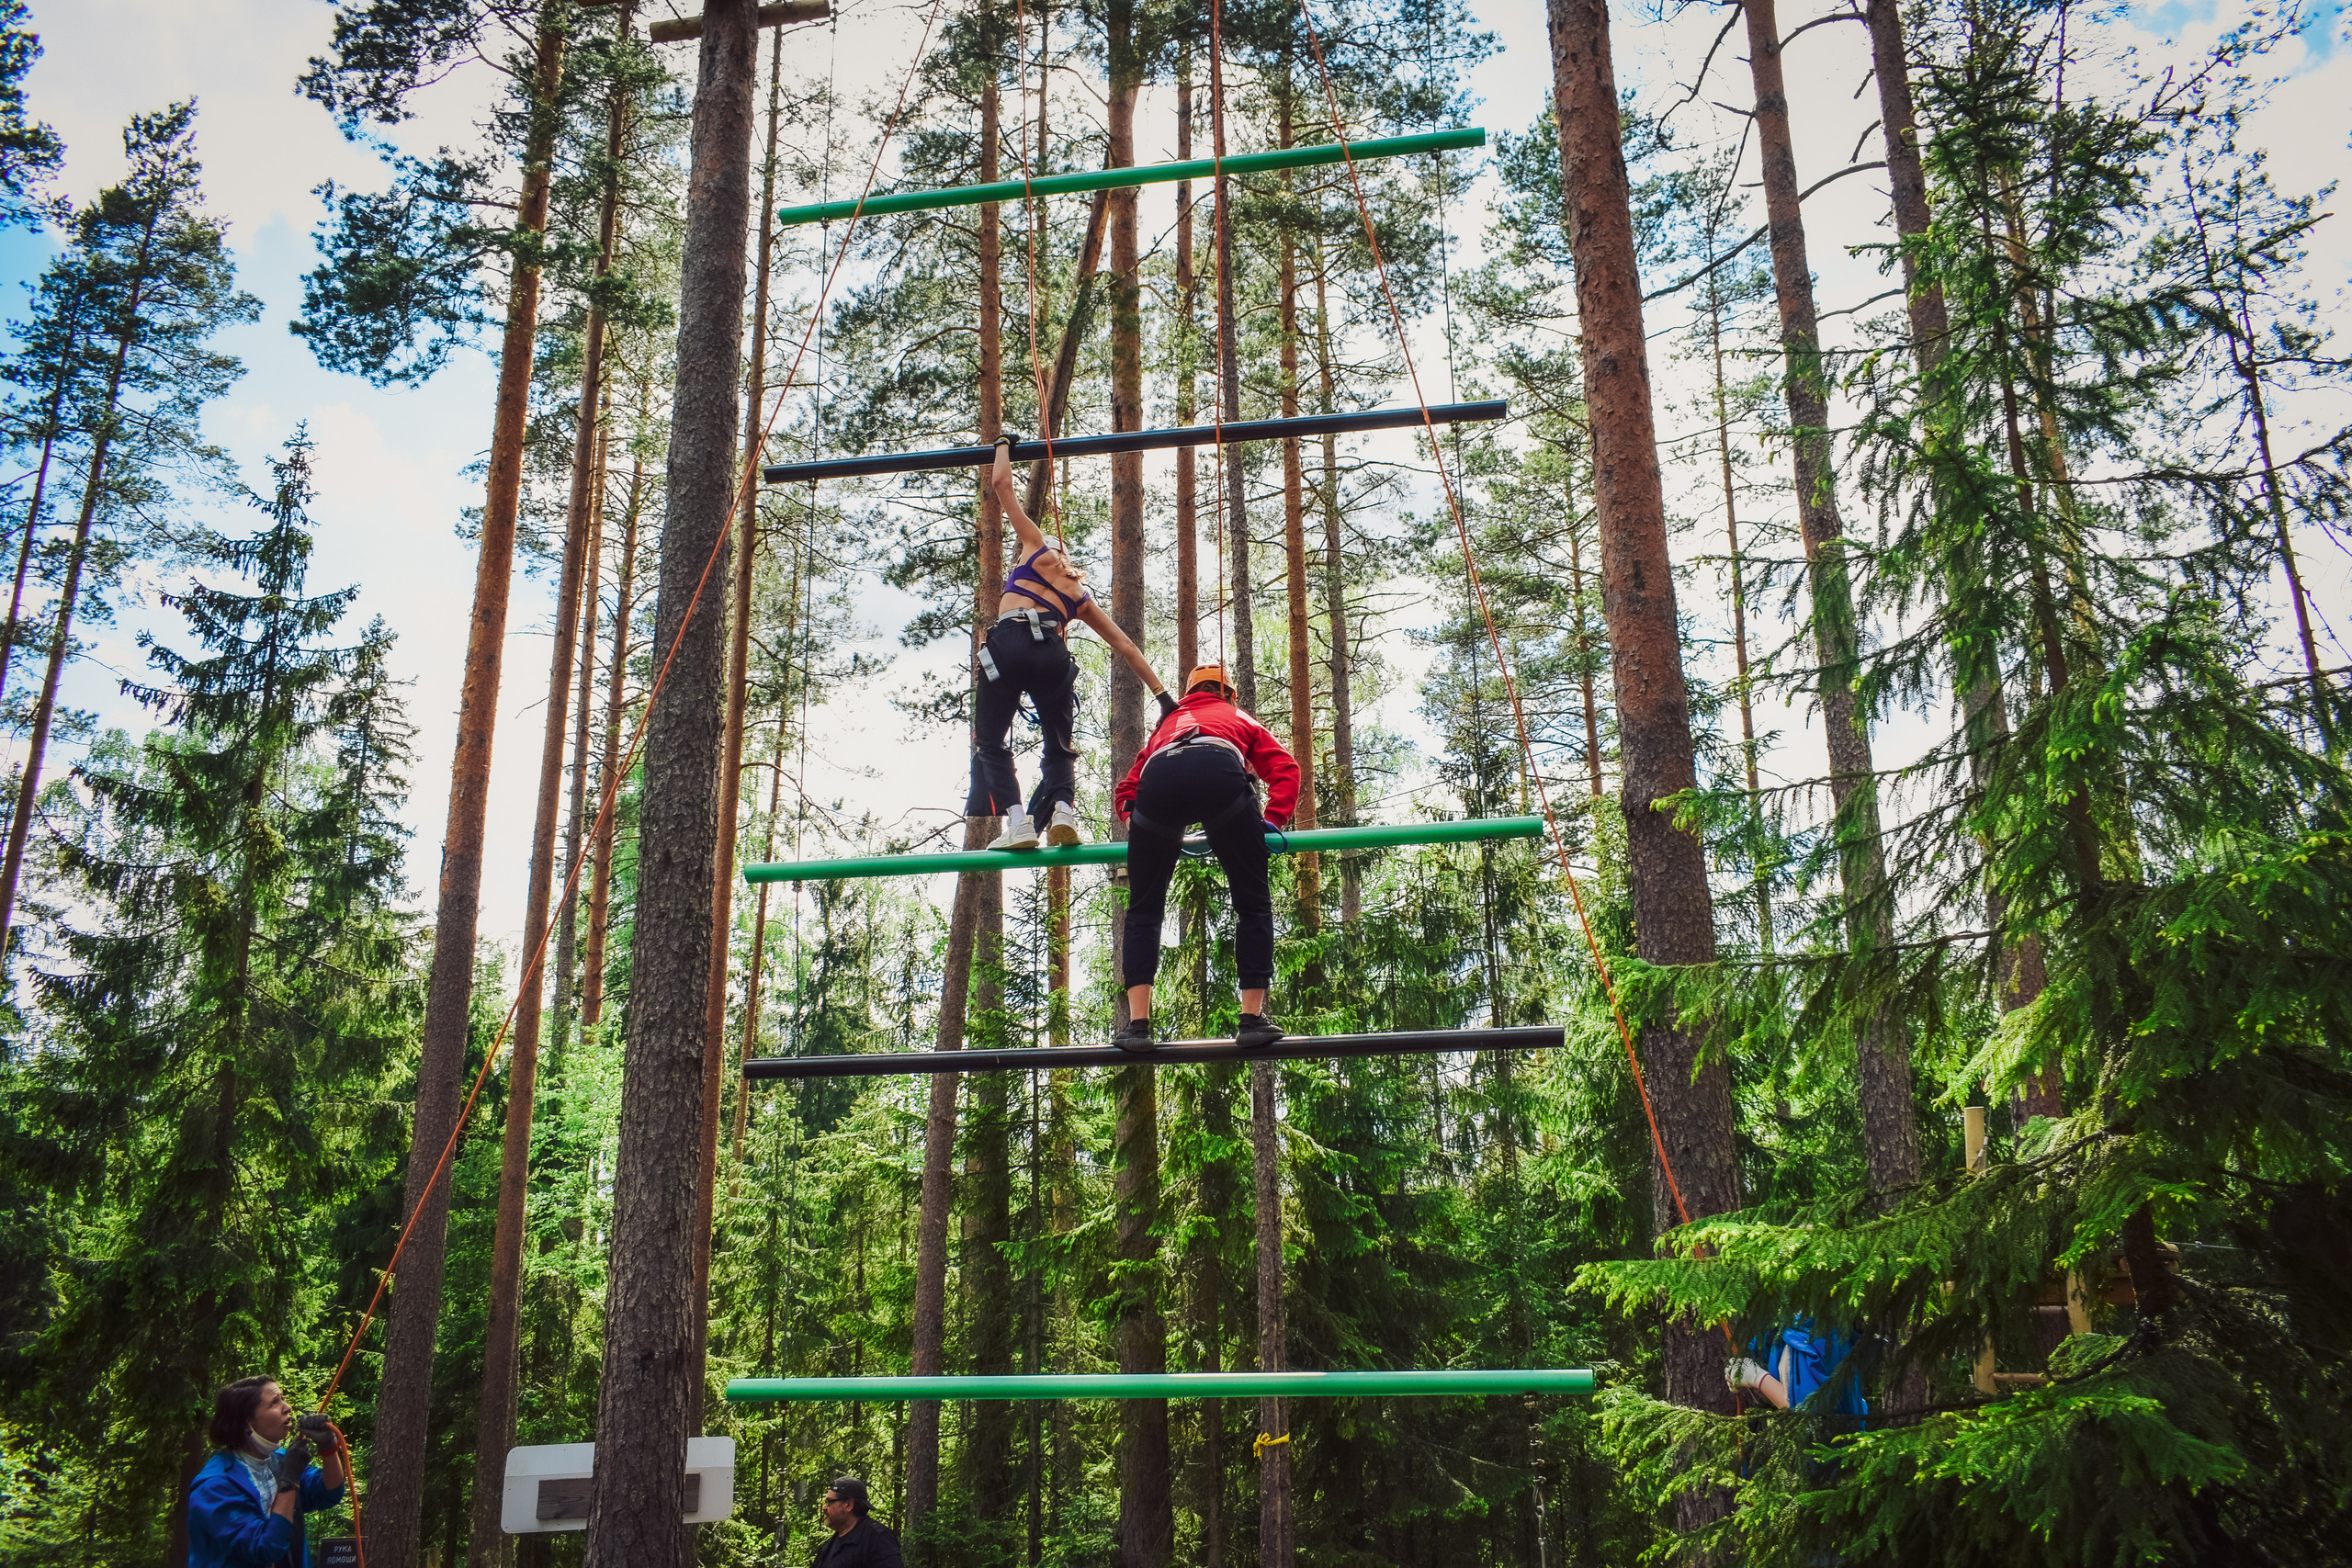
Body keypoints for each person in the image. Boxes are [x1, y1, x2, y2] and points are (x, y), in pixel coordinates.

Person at [971, 432, 1176, 852]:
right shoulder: (1080, 599)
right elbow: (1127, 647)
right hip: (1051, 653)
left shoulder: (1034, 549)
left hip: (1008, 645)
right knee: (1059, 743)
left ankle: (1017, 822)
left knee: (990, 740)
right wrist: (1163, 696)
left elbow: (1001, 485)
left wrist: (1002, 445)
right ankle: (1062, 810)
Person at [1111, 662, 1300, 1054]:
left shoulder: (1167, 724)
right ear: (1228, 693)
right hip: (1219, 774)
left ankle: (1137, 1026)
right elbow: (1286, 769)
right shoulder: (1237, 715)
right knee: (1252, 904)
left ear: (1188, 693)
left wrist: (1135, 820)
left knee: (1143, 911)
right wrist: (1271, 820)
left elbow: (1128, 787)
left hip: (1159, 780)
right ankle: (1251, 1020)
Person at [187, 1376, 348, 1568]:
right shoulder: (214, 1487)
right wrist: (289, 1481)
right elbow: (265, 1548)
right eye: (274, 1402)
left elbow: (330, 1492)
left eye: (282, 1398)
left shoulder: (278, 1460)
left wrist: (328, 1447)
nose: (287, 1406)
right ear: (246, 1423)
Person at [811, 1475, 903, 1568]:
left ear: (849, 1505)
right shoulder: (827, 1547)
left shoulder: (877, 1538)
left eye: (829, 1502)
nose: (824, 1508)